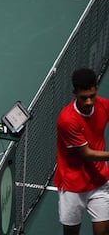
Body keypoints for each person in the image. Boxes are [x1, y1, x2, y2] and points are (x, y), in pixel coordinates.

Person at [54, 68, 109, 235]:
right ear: (74, 93)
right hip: (72, 186)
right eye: (84, 98)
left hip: (99, 181)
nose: (89, 102)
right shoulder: (67, 120)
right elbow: (86, 154)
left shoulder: (103, 105)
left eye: (92, 96)